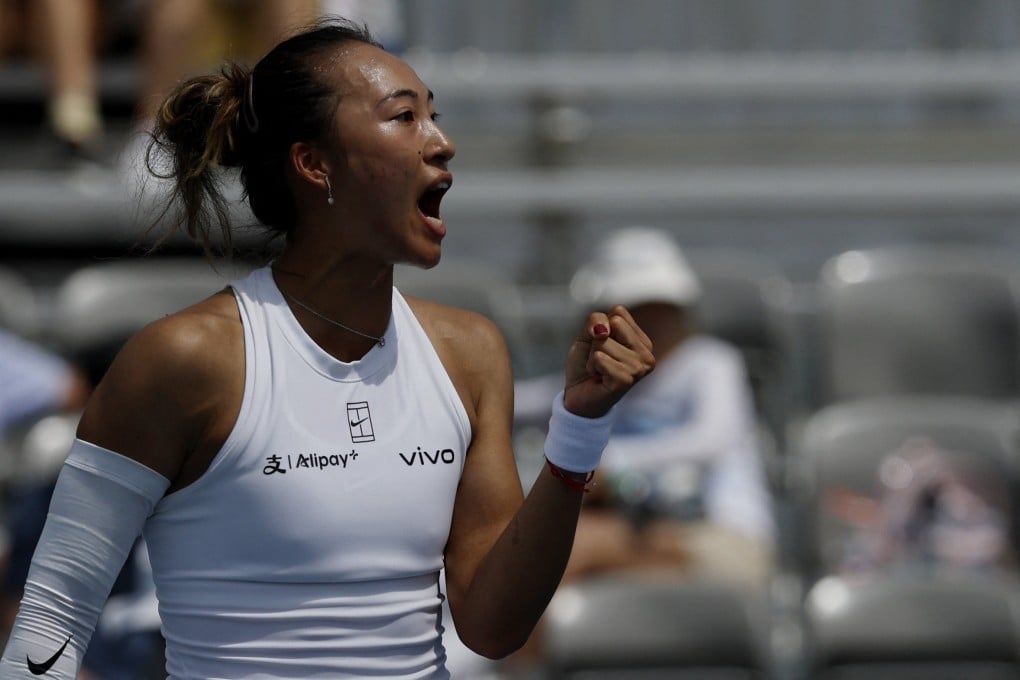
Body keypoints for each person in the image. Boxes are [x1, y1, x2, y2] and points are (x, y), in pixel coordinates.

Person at [0, 16, 655, 679]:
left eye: (435, 116)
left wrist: (578, 433)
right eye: (404, 118)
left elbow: (492, 629)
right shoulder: (183, 359)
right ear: (314, 163)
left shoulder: (472, 352)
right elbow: (47, 630)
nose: (443, 143)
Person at [520, 227, 776, 591]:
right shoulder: (600, 382)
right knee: (536, 547)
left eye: (662, 307)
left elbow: (713, 439)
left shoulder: (712, 363)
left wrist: (610, 465)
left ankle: (489, 648)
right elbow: (520, 401)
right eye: (633, 310)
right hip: (638, 534)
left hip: (724, 539)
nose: (650, 322)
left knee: (562, 550)